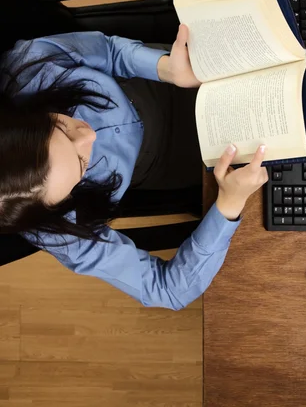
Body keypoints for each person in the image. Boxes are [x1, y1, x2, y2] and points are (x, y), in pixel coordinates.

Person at [0, 25, 268, 310]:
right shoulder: (58, 230)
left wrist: (166, 69)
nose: (89, 136)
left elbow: (108, 50)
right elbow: (168, 290)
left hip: (168, 78)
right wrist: (229, 204)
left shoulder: (28, 67)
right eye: (81, 165)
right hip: (187, 156)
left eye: (62, 127)